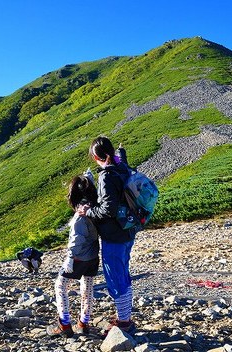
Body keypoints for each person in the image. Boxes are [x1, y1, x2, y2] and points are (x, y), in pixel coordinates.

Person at [77, 136, 137, 334]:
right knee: (123, 273)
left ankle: (124, 322)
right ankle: (125, 317)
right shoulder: (122, 168)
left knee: (115, 277)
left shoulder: (107, 175)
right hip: (128, 230)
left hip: (114, 235)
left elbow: (108, 209)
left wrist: (88, 211)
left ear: (96, 156)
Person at [47, 175, 100, 338]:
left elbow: (76, 241)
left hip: (78, 258)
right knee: (88, 286)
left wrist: (70, 258)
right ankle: (83, 323)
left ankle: (64, 324)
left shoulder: (79, 215)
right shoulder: (95, 208)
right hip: (93, 257)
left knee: (60, 285)